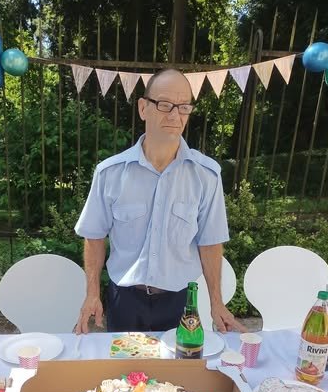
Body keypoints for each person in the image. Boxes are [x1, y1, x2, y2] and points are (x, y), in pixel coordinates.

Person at [74, 68, 246, 335]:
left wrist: (216, 302)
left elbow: (210, 242)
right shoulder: (110, 173)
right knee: (123, 364)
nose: (175, 115)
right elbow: (94, 236)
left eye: (184, 107)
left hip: (181, 302)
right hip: (124, 300)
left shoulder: (206, 175)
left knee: (180, 362)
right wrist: (92, 294)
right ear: (143, 108)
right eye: (165, 104)